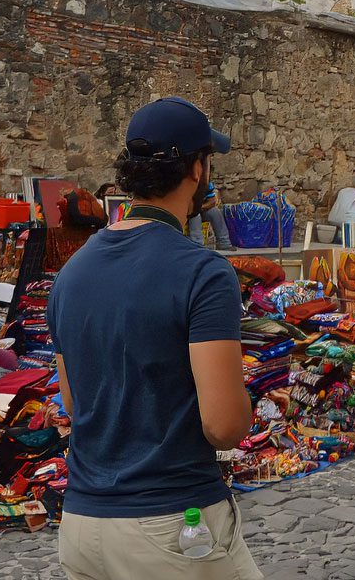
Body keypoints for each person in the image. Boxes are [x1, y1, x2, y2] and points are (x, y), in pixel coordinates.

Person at [50, 97, 259, 580]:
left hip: (82, 523)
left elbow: (71, 398)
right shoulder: (203, 272)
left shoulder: (71, 274)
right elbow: (224, 426)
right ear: (197, 169)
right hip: (170, 523)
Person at [196, 187, 236, 252]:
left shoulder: (205, 183)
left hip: (200, 208)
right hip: (186, 211)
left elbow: (212, 201)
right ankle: (197, 245)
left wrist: (201, 207)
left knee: (215, 212)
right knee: (195, 216)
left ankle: (224, 243)